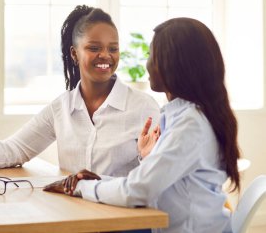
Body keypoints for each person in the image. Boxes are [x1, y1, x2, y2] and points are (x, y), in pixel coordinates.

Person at [43, 17, 241, 233]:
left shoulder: (190, 124)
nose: (147, 63)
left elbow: (138, 190)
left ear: (174, 65)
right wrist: (100, 179)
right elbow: (147, 182)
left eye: (151, 55)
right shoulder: (181, 115)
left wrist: (81, 187)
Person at [0, 5, 159, 177]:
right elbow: (14, 150)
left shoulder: (143, 107)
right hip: (77, 218)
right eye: (94, 48)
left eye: (113, 48)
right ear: (74, 54)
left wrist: (148, 159)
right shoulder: (61, 108)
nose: (106, 56)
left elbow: (159, 175)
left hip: (124, 221)